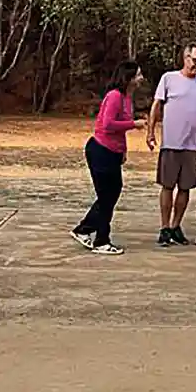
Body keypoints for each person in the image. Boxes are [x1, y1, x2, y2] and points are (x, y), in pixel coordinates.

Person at [72, 61, 145, 255]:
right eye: (138, 75)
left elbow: (119, 130)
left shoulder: (127, 98)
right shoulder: (114, 96)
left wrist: (123, 151)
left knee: (111, 194)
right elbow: (108, 124)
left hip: (113, 152)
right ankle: (101, 240)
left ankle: (84, 229)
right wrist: (134, 124)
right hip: (100, 150)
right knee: (107, 197)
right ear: (128, 78)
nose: (141, 78)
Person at [147, 44, 196, 247]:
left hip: (192, 146)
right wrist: (150, 132)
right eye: (194, 60)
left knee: (185, 188)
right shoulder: (169, 78)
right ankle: (164, 227)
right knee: (167, 186)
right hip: (171, 143)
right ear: (185, 57)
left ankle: (176, 226)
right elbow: (156, 105)